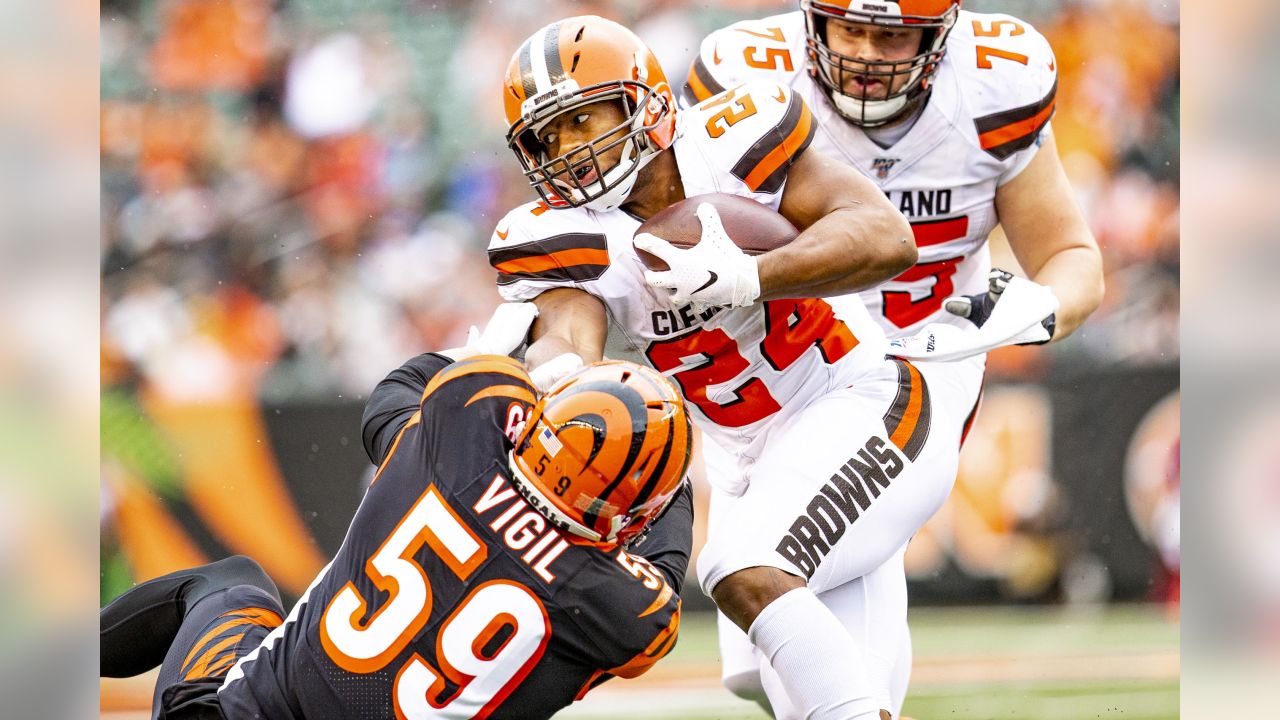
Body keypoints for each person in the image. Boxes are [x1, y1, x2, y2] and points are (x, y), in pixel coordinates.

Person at [486, 14, 1011, 720]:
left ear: (645, 102)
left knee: (740, 565)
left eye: (582, 120)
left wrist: (749, 275)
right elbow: (567, 336)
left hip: (866, 401)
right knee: (809, 698)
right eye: (546, 138)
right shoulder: (559, 235)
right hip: (754, 461)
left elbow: (887, 237)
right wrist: (546, 372)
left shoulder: (735, 140)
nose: (569, 151)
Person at [681, 0, 1105, 712]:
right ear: (813, 23)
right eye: (850, 29)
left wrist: (1038, 308)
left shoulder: (994, 84)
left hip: (917, 367)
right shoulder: (744, 72)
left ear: (942, 37)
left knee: (755, 572)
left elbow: (1070, 257)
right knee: (769, 672)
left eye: (892, 34)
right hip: (785, 378)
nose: (869, 54)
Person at [99, 303, 697, 719]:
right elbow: (664, 567)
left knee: (232, 583)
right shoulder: (623, 610)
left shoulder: (461, 443)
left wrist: (501, 361)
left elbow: (396, 396)